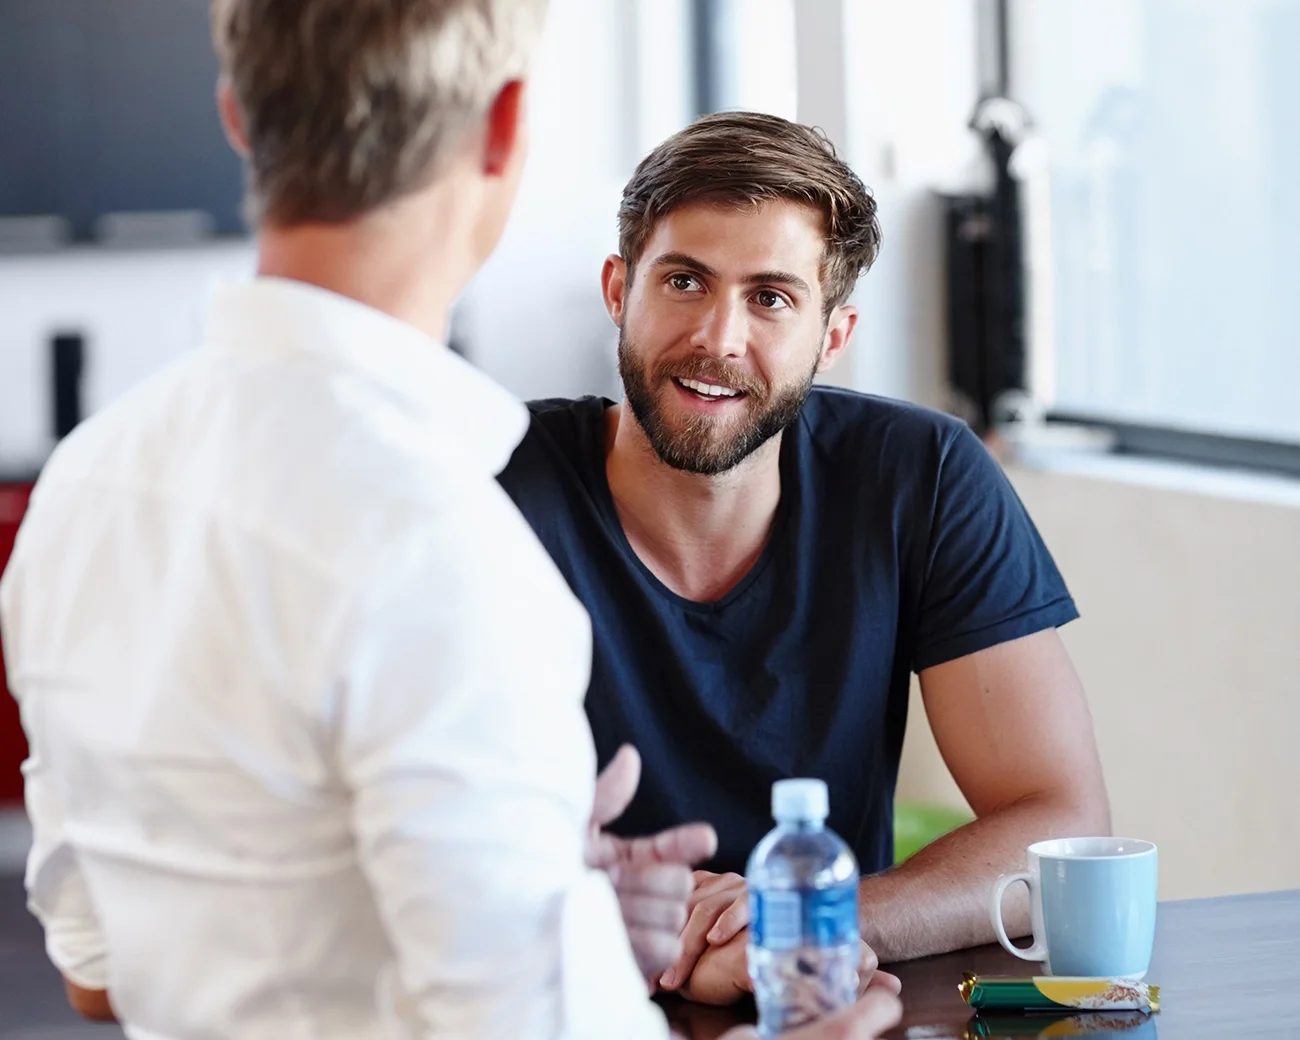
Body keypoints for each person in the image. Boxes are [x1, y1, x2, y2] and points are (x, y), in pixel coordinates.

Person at [0, 1, 734, 1035]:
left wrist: (536, 902)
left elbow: (97, 967)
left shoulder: (83, 488)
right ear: (505, 122)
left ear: (238, 121)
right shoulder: (442, 543)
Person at [498, 111, 1112, 1005]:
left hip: (827, 1005)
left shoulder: (923, 477)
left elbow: (1059, 823)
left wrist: (805, 927)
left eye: (771, 297)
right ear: (616, 289)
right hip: (545, 1001)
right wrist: (628, 924)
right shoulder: (491, 486)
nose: (719, 337)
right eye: (683, 281)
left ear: (832, 335)